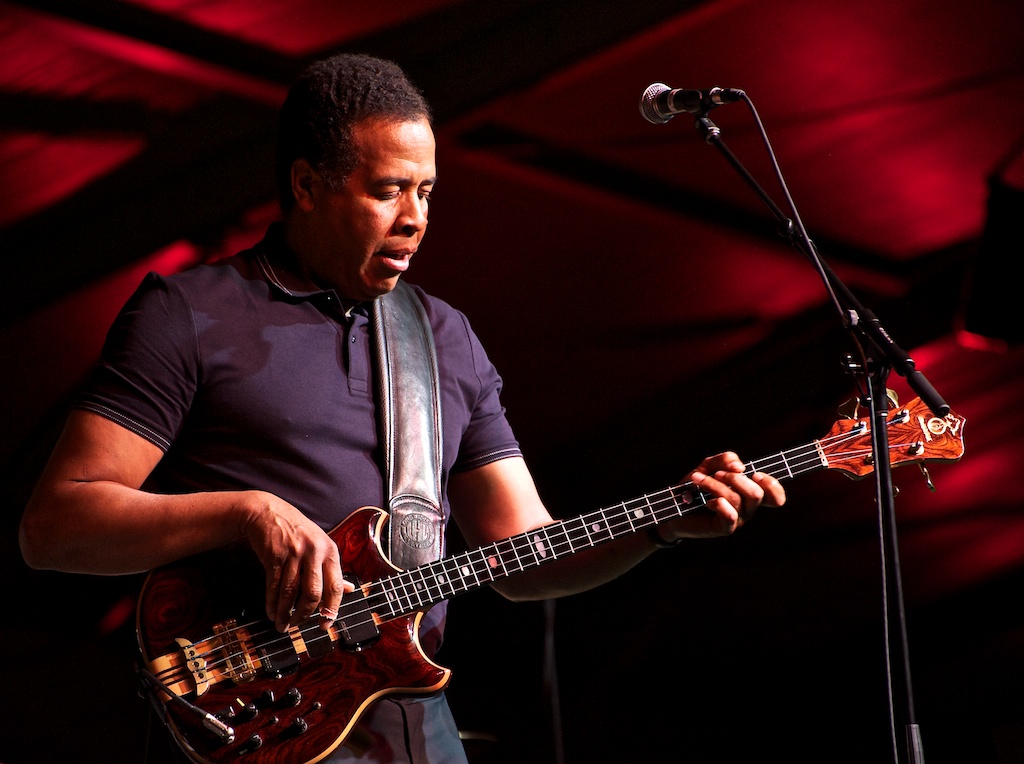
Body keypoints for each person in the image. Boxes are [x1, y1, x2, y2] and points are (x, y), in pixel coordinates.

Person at [19, 53, 786, 763]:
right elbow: (56, 527)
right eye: (388, 190)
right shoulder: (188, 312)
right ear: (309, 185)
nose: (416, 218)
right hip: (252, 715)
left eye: (425, 191)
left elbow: (523, 553)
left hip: (414, 728)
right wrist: (246, 513)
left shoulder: (444, 338)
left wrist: (662, 526)